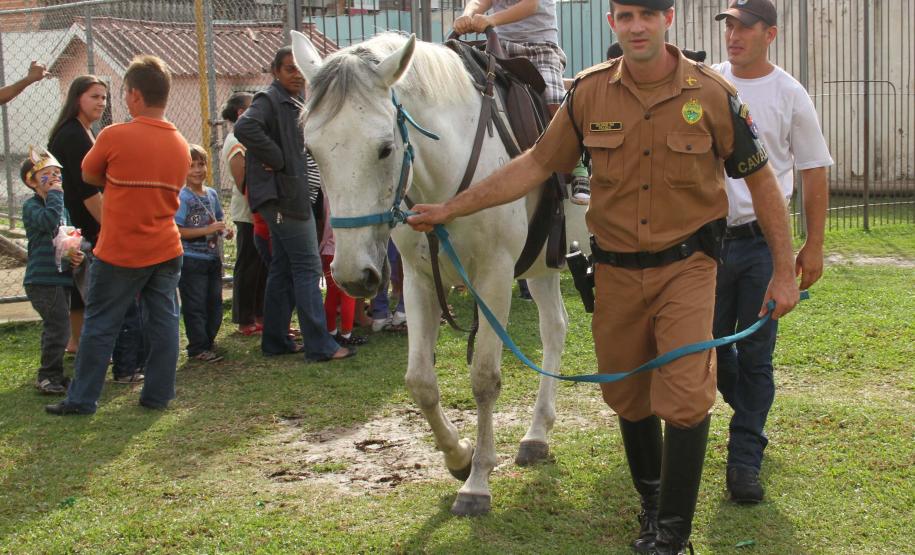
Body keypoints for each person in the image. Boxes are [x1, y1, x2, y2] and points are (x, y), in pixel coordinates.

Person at [407, 1, 800, 553]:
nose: (636, 26)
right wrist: (452, 207)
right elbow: (535, 165)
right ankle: (651, 505)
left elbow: (761, 182)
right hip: (614, 271)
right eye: (625, 15)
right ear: (613, 22)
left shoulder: (711, 94)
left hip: (687, 268)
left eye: (647, 14)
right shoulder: (589, 92)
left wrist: (785, 271)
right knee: (626, 393)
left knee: (686, 397)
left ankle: (671, 536)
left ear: (667, 20)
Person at [713, 0, 833, 504]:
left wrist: (814, 245)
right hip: (710, 243)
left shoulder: (790, 93)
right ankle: (750, 417)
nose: (733, 36)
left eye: (744, 27)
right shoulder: (710, 82)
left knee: (756, 356)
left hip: (765, 244)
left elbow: (813, 169)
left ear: (771, 34)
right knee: (714, 351)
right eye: (729, 26)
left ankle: (744, 460)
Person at [46, 55, 191, 415]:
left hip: (121, 249)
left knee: (100, 324)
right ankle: (158, 396)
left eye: (124, 93)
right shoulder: (181, 145)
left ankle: (82, 400)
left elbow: (89, 175)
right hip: (167, 246)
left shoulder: (114, 136)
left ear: (135, 95)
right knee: (165, 324)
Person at [234, 46, 354, 363]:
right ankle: (320, 345)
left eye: (300, 68)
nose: (297, 73)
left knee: (284, 269)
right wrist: (278, 158)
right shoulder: (269, 99)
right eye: (289, 68)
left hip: (294, 196)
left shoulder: (296, 101)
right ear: (275, 72)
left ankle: (274, 340)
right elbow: (244, 127)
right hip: (284, 199)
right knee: (307, 268)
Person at [453, 0, 590, 205]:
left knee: (555, 101)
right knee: (472, 84)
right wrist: (468, 15)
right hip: (500, 46)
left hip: (540, 47)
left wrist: (491, 19)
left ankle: (579, 166)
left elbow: (530, 5)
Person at [47, 75, 108, 356]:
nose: (101, 102)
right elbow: (87, 191)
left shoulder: (85, 131)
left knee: (80, 281)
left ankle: (77, 342)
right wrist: (109, 225)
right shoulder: (72, 134)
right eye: (94, 96)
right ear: (77, 99)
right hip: (76, 221)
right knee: (82, 281)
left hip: (79, 219)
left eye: (104, 97)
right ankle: (79, 342)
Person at [19, 147, 86, 394]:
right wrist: (56, 196)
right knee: (58, 325)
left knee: (60, 326)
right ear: (33, 181)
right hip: (42, 280)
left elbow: (63, 240)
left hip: (60, 278)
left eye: (58, 173)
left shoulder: (61, 207)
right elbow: (48, 223)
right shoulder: (32, 207)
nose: (56, 178)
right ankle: (47, 376)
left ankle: (54, 374)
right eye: (48, 174)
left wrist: (75, 255)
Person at [176, 145, 233, 363]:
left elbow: (217, 221)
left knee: (214, 302)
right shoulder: (183, 197)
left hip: (212, 258)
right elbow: (178, 230)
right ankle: (197, 346)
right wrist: (207, 230)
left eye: (202, 164)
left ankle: (209, 340)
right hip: (192, 259)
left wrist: (223, 231)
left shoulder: (211, 194)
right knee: (195, 303)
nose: (198, 170)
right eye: (192, 166)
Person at [221, 92, 267, 336]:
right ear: (241, 113)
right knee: (248, 265)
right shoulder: (235, 140)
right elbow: (242, 181)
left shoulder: (248, 138)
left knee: (261, 266)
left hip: (259, 211)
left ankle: (260, 314)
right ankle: (244, 318)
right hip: (248, 213)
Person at [319, 196, 368, 346]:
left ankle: (331, 331)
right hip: (347, 251)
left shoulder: (328, 197)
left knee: (332, 294)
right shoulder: (351, 199)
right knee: (348, 294)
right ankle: (346, 335)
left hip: (328, 250)